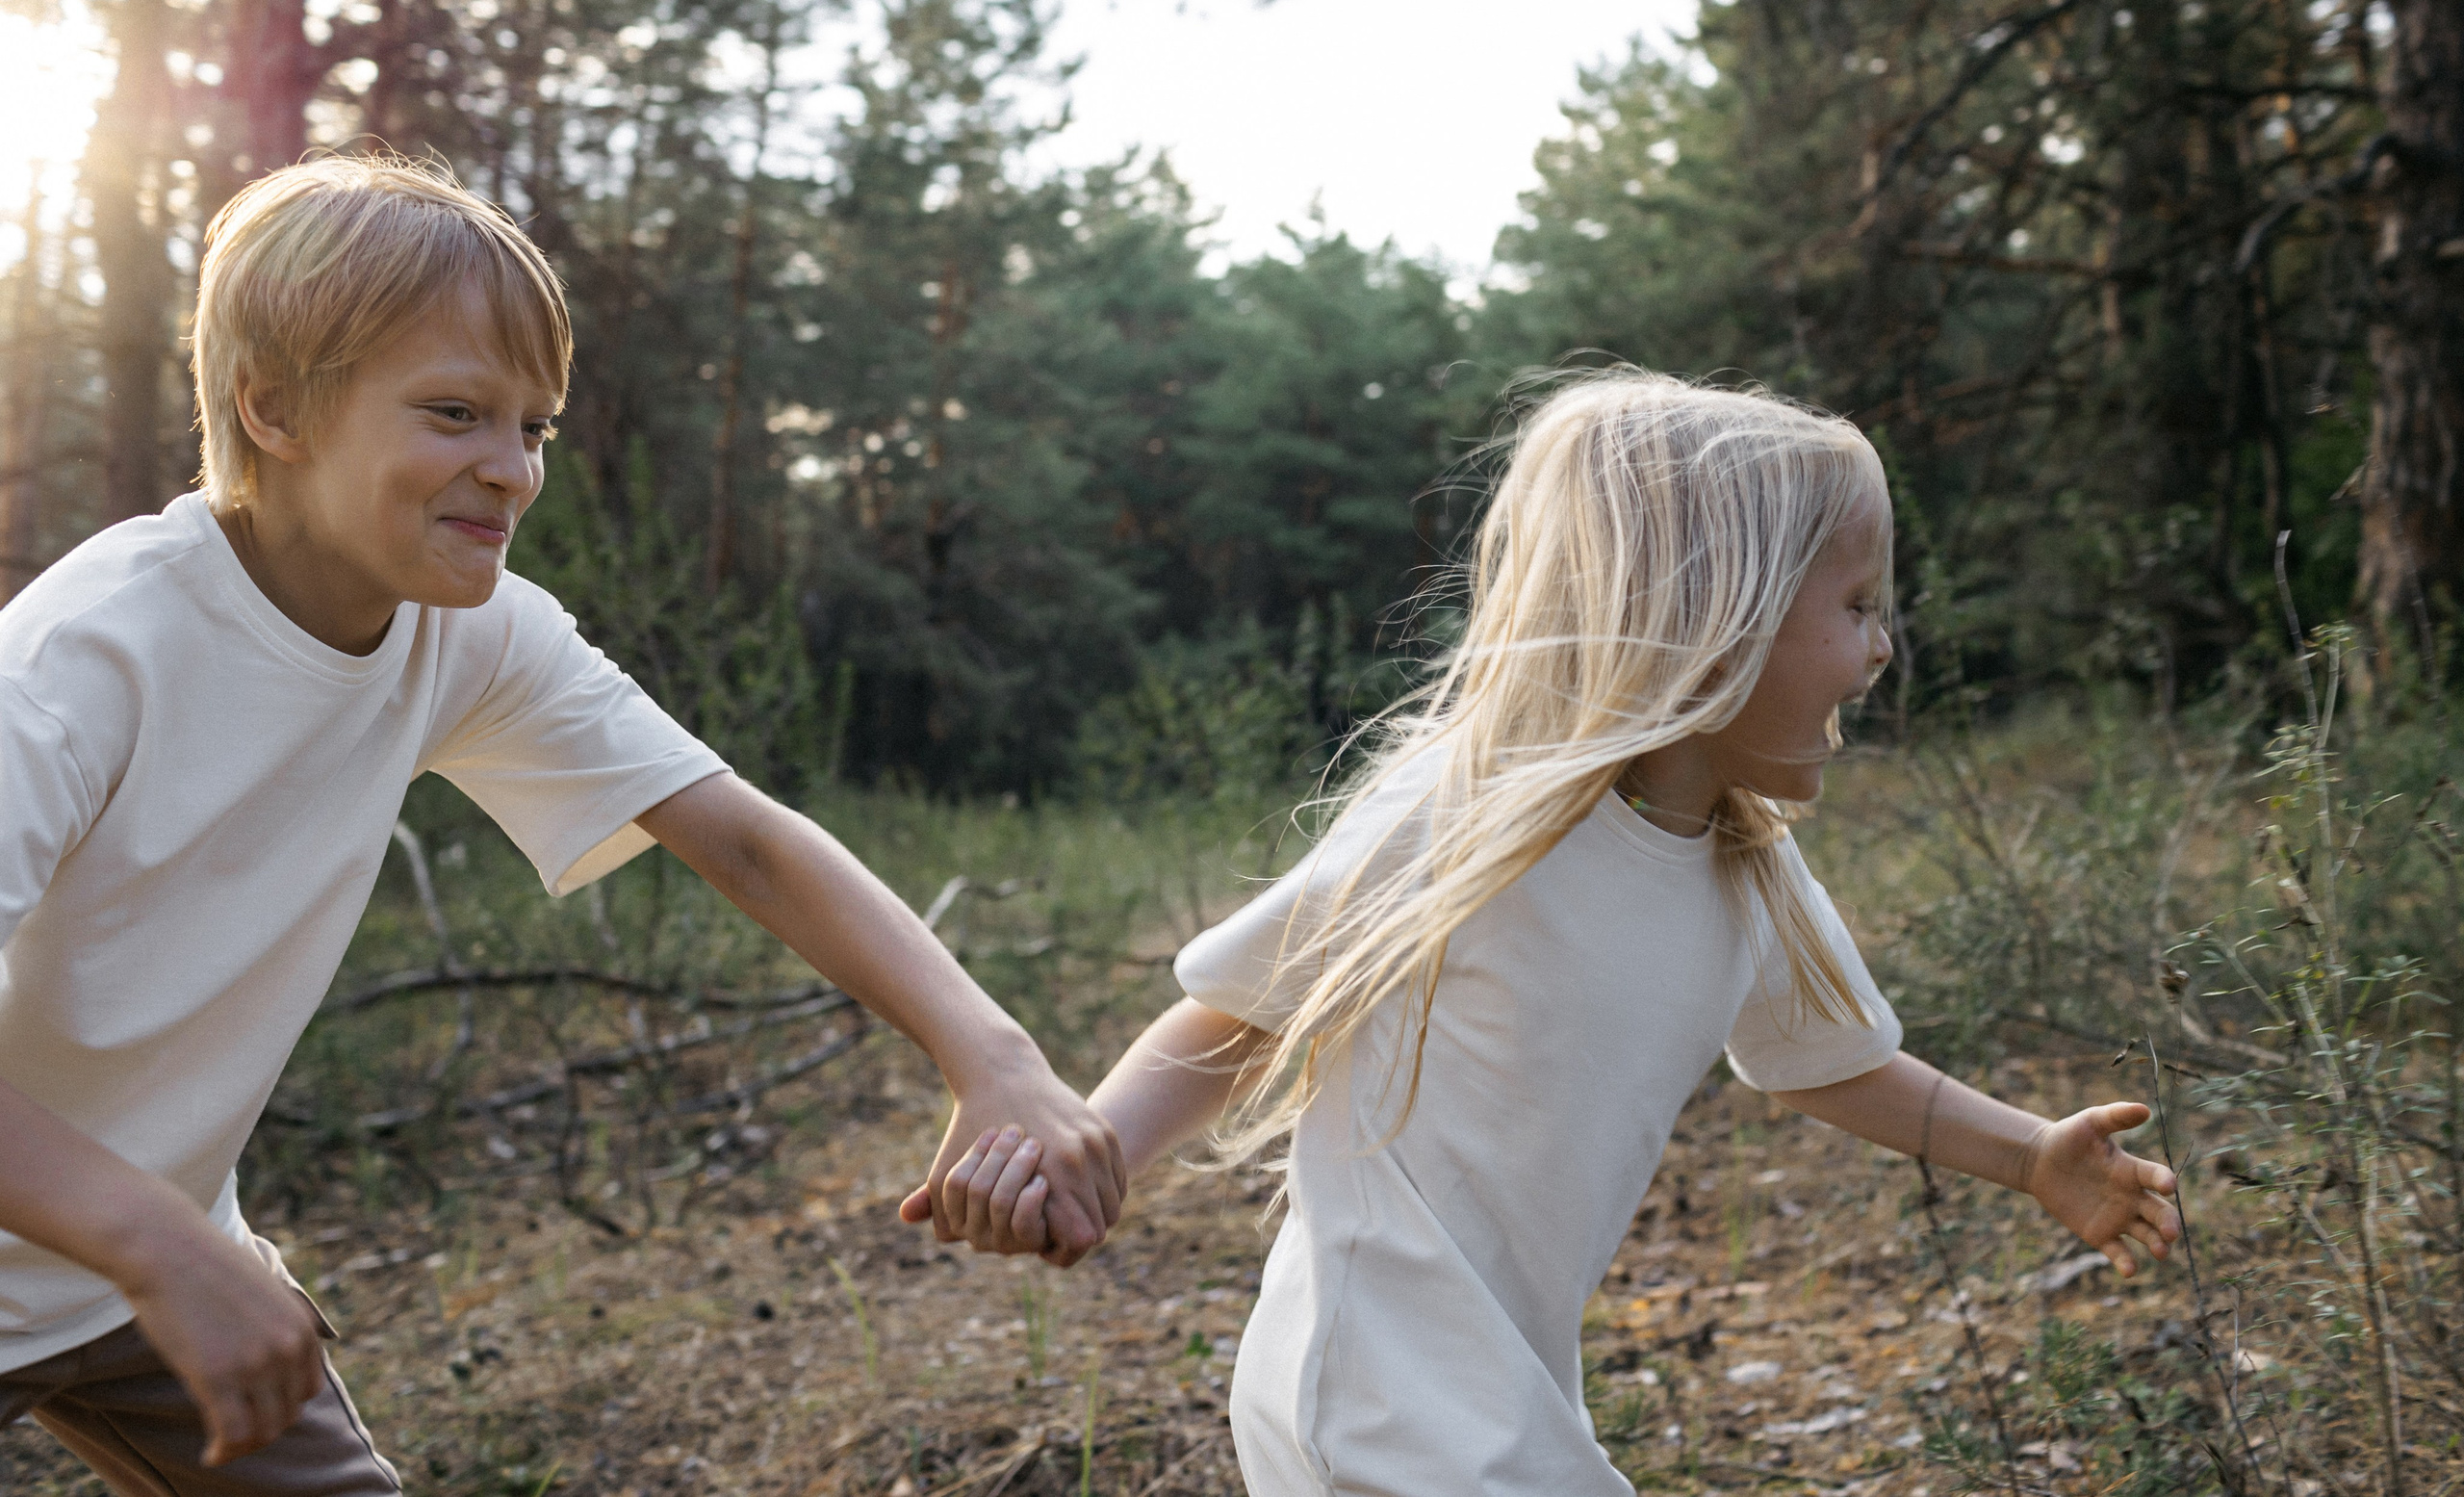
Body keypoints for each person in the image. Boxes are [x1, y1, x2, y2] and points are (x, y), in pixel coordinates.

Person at [0, 154, 1123, 1494]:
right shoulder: (83, 664)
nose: (512, 471)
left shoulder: (463, 633)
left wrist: (990, 1056)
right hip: (141, 1246)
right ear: (275, 410)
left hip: (145, 1273)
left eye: (533, 427)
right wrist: (161, 1242)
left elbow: (745, 838)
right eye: (455, 412)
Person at [916, 372, 2183, 1496]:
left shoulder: (1752, 867)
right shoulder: (1473, 817)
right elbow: (1250, 1012)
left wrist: (2029, 1158)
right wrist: (1099, 1157)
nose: (1883, 646)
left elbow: (1836, 1062)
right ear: (1716, 621)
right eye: (1853, 604)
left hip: (1498, 1384)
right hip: (1377, 1383)